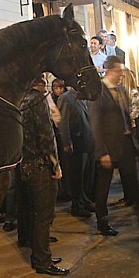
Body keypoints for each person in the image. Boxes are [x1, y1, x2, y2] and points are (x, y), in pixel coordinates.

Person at [88, 56, 139, 236]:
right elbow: (96, 124)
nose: (122, 74)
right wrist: (102, 152)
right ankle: (102, 222)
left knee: (133, 185)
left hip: (125, 146)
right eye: (118, 71)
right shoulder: (98, 93)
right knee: (103, 188)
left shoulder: (121, 90)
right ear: (109, 71)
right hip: (108, 148)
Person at [18, 77, 68, 275]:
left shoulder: (20, 99)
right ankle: (42, 261)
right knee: (44, 215)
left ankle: (38, 253)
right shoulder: (38, 101)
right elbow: (47, 136)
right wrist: (55, 164)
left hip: (25, 164)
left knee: (33, 213)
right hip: (40, 165)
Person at [57, 81, 95, 217]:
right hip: (76, 143)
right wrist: (66, 142)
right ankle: (77, 205)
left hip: (87, 141)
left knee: (86, 175)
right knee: (77, 176)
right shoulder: (66, 98)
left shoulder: (84, 98)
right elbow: (63, 122)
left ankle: (85, 200)